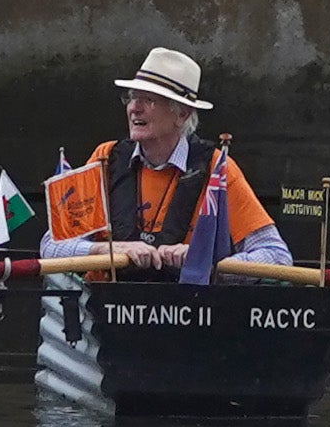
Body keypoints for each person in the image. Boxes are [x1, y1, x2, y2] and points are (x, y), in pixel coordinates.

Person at [36, 47, 287, 272]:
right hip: (104, 315)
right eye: (133, 97)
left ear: (182, 114)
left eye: (149, 100)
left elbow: (277, 256)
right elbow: (52, 246)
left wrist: (204, 258)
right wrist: (106, 251)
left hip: (188, 313)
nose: (135, 107)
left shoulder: (216, 168)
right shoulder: (105, 158)